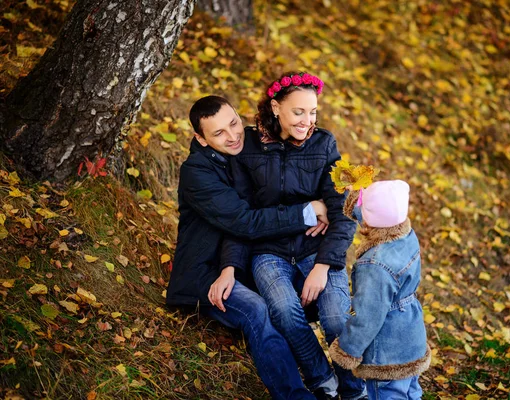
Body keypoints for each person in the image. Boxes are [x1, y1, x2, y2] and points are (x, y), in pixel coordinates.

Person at [166, 95, 332, 399]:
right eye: (219, 133)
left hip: (238, 263)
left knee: (291, 301)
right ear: (200, 139)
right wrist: (307, 211)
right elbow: (244, 221)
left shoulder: (245, 152)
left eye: (233, 123)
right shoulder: (197, 173)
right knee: (258, 310)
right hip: (204, 271)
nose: (232, 136)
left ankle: (327, 381)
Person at [220, 72, 367, 400]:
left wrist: (323, 266)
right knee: (285, 313)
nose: (307, 121)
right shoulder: (248, 149)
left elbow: (342, 212)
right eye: (299, 112)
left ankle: (355, 391)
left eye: (313, 112)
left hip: (317, 250)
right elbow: (241, 218)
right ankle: (322, 381)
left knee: (335, 319)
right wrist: (230, 266)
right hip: (268, 252)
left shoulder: (324, 144)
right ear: (276, 107)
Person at [329, 180, 432, 400]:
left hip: (386, 353)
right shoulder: (406, 235)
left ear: (370, 220)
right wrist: (354, 200)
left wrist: (347, 350)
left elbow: (367, 316)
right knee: (411, 392)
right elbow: (378, 214)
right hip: (411, 338)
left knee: (388, 395)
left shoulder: (375, 266)